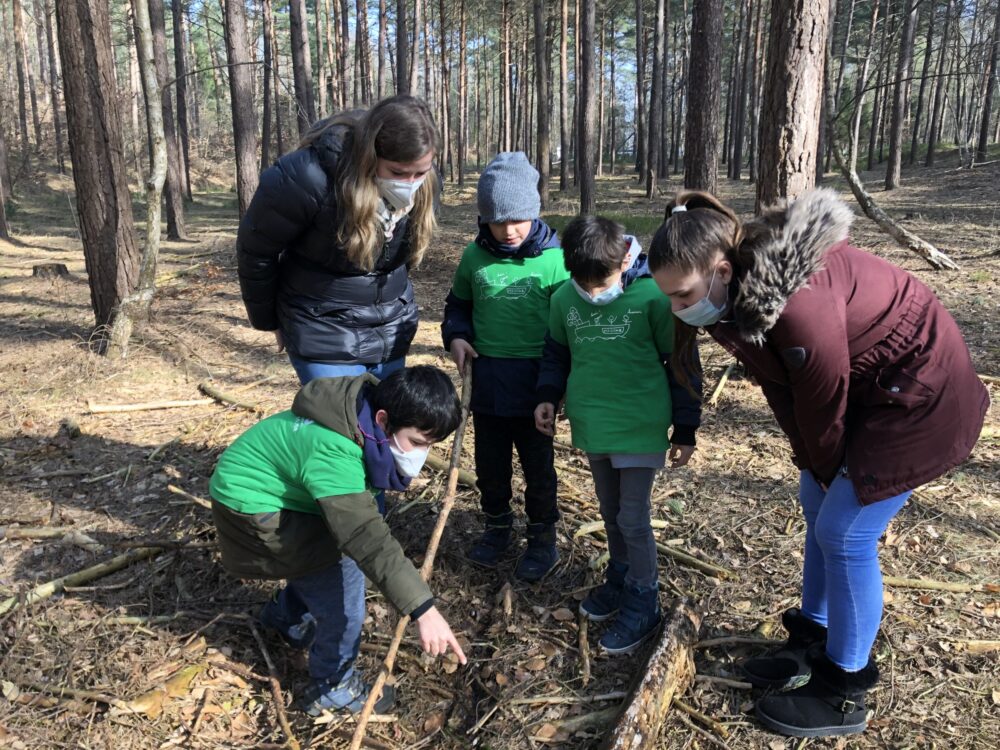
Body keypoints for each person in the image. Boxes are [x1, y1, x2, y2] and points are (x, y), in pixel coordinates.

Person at [647, 188, 989, 738]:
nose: (676, 307)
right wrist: (812, 464)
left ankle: (843, 688)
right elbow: (783, 387)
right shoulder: (733, 296)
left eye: (681, 294)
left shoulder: (797, 303)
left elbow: (822, 397)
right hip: (872, 390)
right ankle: (815, 637)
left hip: (923, 397)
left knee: (845, 533)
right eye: (667, 296)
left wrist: (828, 466)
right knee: (815, 499)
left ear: (722, 270)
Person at [208, 366, 468, 716]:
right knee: (344, 592)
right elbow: (365, 537)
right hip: (252, 506)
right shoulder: (334, 450)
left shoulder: (358, 414)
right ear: (383, 419)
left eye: (431, 445)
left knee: (323, 563)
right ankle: (333, 688)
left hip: (267, 491)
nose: (421, 455)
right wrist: (423, 609)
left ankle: (285, 617)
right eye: (418, 443)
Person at [534, 216, 702, 654]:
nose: (592, 293)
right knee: (610, 511)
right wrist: (547, 395)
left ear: (625, 259)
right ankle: (621, 577)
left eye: (601, 282)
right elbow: (556, 353)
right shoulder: (563, 300)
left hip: (640, 423)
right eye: (583, 283)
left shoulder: (652, 298)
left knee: (632, 516)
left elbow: (682, 361)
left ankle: (645, 598)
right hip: (594, 423)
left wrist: (686, 427)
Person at [236, 95, 440, 385]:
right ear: (370, 156)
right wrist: (267, 319)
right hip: (321, 329)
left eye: (420, 172)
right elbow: (256, 249)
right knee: (341, 415)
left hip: (391, 328)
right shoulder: (308, 177)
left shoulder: (428, 186)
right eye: (397, 172)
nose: (409, 184)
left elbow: (399, 261)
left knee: (384, 414)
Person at [441, 152, 569, 581]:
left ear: (534, 212)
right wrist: (456, 336)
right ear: (484, 219)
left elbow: (568, 325)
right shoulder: (474, 258)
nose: (509, 230)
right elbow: (457, 306)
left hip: (537, 383)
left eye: (517, 219)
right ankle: (497, 527)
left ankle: (542, 537)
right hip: (488, 383)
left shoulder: (555, 261)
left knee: (538, 467)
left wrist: (561, 384)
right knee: (490, 466)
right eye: (498, 221)